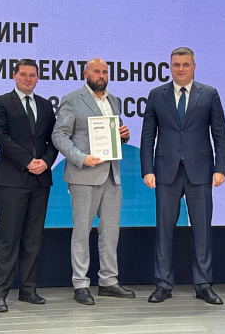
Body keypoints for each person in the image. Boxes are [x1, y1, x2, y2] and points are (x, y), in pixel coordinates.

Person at [140, 47, 225, 304]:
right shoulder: (157, 95)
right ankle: (163, 284)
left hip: (200, 172)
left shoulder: (209, 94)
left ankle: (203, 285)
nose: (181, 69)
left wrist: (221, 168)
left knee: (202, 231)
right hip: (165, 172)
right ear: (170, 67)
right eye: (176, 65)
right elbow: (148, 136)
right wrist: (147, 169)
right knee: (164, 231)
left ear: (194, 66)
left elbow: (220, 134)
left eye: (185, 64)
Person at [52, 58, 135, 305]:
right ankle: (80, 284)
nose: (101, 75)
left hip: (111, 174)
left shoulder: (114, 101)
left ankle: (108, 281)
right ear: (85, 73)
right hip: (83, 174)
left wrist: (123, 135)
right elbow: (59, 134)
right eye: (97, 71)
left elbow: (114, 135)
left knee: (110, 231)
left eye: (105, 72)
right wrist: (80, 158)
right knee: (82, 231)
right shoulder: (72, 99)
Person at [0, 59, 58, 313]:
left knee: (33, 238)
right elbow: (0, 136)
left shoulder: (45, 105)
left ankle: (28, 290)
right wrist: (27, 161)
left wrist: (46, 162)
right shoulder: (1, 103)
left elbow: (54, 139)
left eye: (32, 75)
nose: (28, 79)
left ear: (37, 78)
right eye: (24, 75)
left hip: (40, 180)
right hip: (11, 181)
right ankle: (0, 294)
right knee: (8, 239)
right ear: (14, 76)